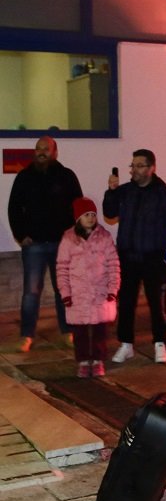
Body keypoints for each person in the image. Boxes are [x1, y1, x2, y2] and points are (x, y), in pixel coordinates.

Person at [7, 136, 83, 352]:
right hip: (34, 245)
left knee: (63, 290)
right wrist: (21, 235)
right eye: (38, 149)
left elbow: (78, 206)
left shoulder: (67, 176)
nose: (41, 152)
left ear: (54, 152)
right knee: (31, 292)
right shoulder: (24, 177)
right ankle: (26, 336)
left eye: (46, 149)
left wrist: (74, 235)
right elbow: (14, 208)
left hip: (62, 244)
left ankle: (67, 332)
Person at [103, 149, 166, 364]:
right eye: (132, 166)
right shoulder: (125, 191)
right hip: (128, 257)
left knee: (157, 303)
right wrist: (111, 191)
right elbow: (109, 213)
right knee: (126, 303)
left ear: (151, 168)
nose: (133, 170)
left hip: (154, 258)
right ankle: (126, 343)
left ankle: (160, 342)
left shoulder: (164, 194)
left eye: (139, 166)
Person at [56, 198, 120, 378]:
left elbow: (113, 264)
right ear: (78, 218)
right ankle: (83, 361)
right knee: (80, 332)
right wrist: (65, 292)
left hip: (100, 292)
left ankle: (98, 360)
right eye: (86, 215)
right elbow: (62, 268)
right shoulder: (69, 239)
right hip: (78, 294)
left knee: (100, 331)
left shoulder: (104, 237)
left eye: (93, 214)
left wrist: (113, 289)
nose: (91, 218)